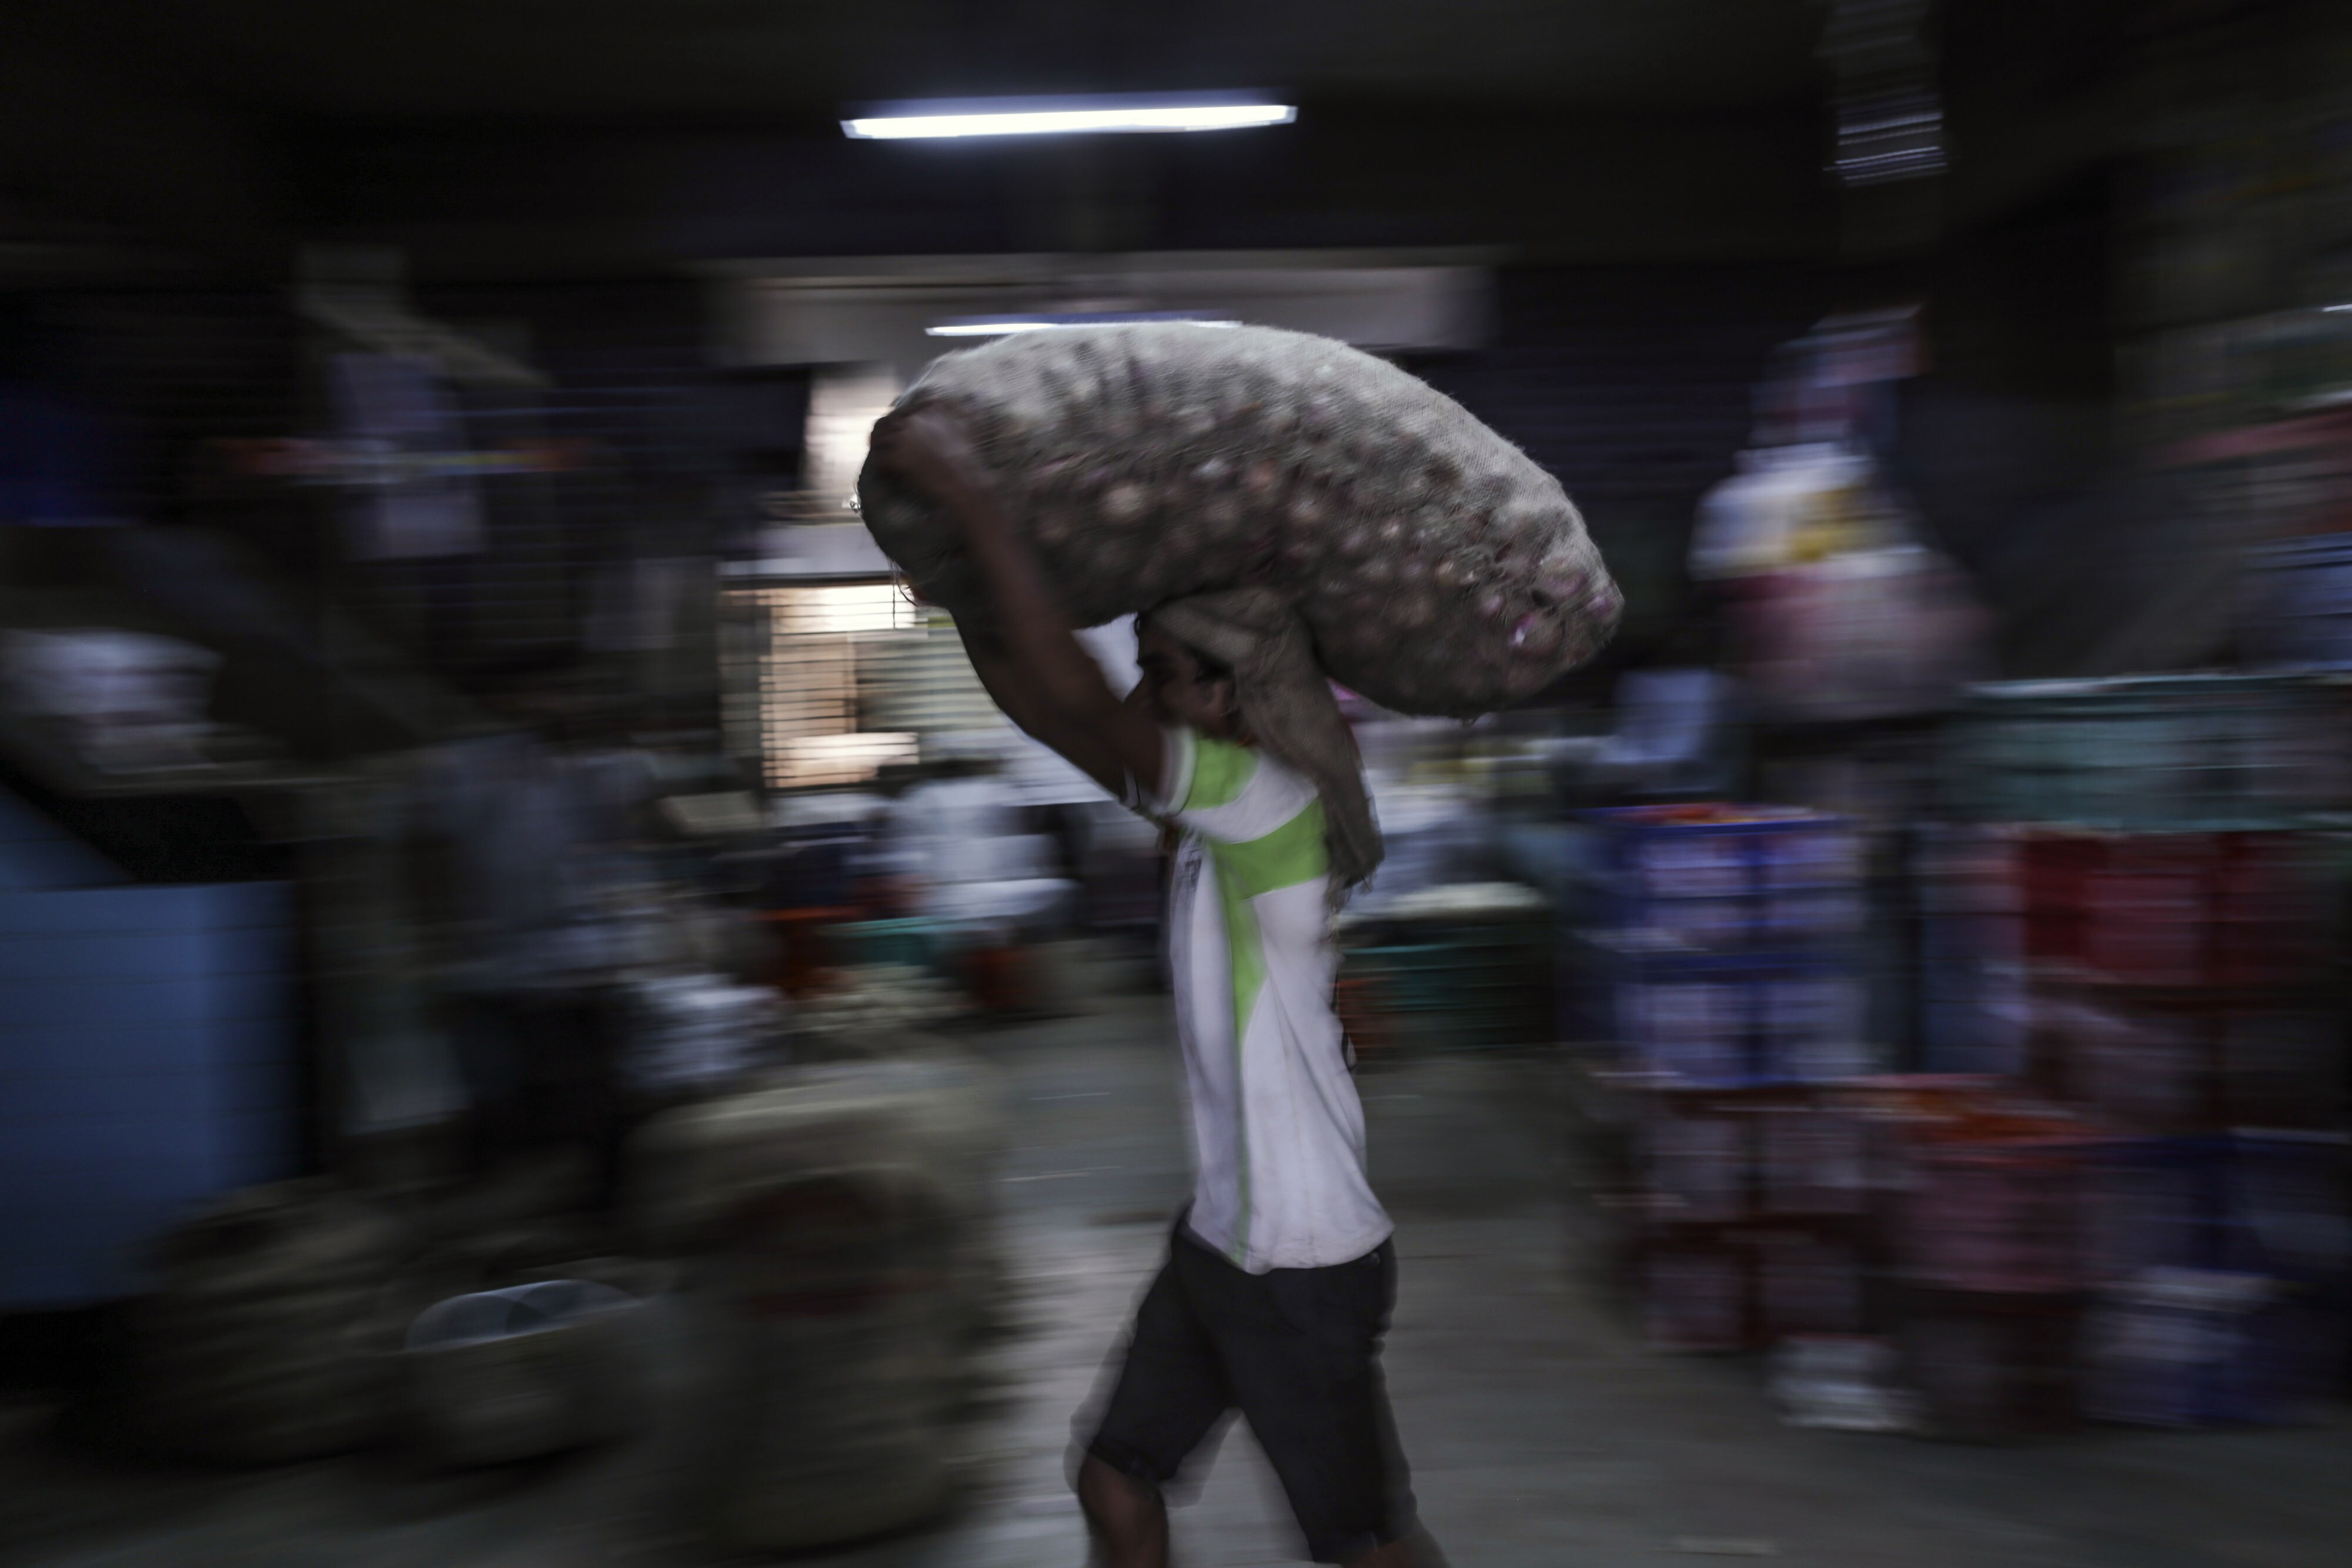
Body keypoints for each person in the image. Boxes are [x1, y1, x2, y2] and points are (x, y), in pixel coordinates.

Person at [868, 407, 1429, 1568]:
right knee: (1114, 1478)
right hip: (1222, 1245)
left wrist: (971, 499)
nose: (1149, 698)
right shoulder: (1205, 816)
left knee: (1366, 1548)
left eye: (1166, 677)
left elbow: (1079, 704)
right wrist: (955, 587)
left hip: (1302, 1267)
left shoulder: (1266, 806)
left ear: (1232, 694)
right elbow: (1052, 713)